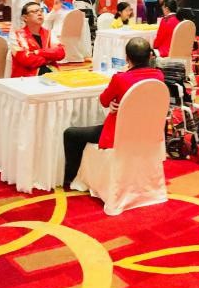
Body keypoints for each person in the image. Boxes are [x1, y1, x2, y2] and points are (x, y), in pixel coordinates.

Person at [61, 37, 164, 188]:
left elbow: (103, 100)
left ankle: (70, 179)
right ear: (150, 56)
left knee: (70, 134)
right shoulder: (159, 76)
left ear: (127, 58)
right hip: (147, 131)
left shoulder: (120, 79)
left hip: (121, 133)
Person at [10, 2, 65, 77]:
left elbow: (61, 53)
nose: (39, 13)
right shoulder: (16, 35)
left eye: (41, 11)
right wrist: (49, 58)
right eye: (35, 12)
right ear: (25, 18)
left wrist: (38, 52)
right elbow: (26, 60)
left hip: (50, 73)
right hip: (26, 77)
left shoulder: (49, 33)